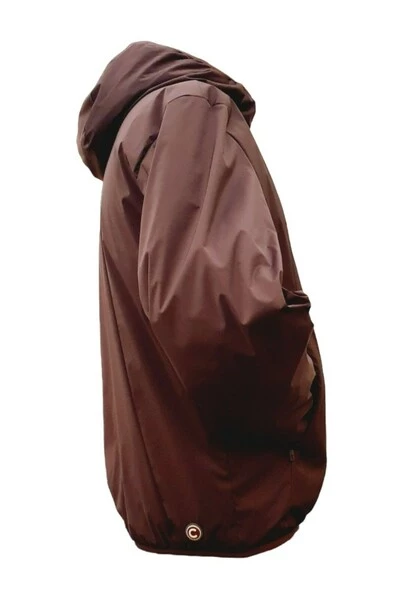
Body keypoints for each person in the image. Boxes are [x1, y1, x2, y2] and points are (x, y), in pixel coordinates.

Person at [76, 40, 326, 557]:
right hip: (230, 498)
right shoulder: (190, 110)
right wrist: (301, 390)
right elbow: (219, 319)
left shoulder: (138, 131)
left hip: (175, 496)